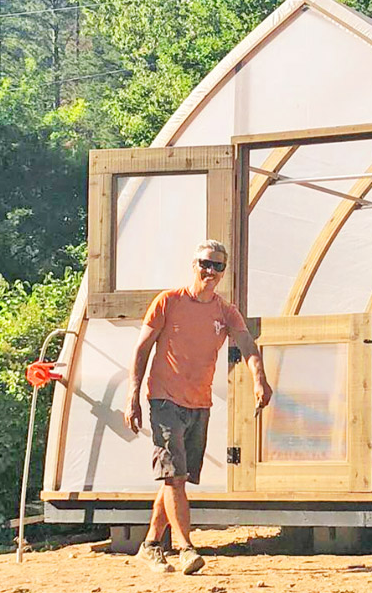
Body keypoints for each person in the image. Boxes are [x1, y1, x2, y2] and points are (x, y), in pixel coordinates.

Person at [124, 240, 272, 574]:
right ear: (194, 264)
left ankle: (149, 546)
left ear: (223, 272)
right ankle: (186, 549)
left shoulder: (225, 311)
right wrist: (133, 396)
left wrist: (259, 379)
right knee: (174, 477)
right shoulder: (168, 302)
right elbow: (142, 349)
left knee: (176, 479)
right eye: (206, 264)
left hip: (199, 402)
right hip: (164, 399)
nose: (211, 271)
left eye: (218, 266)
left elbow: (247, 346)